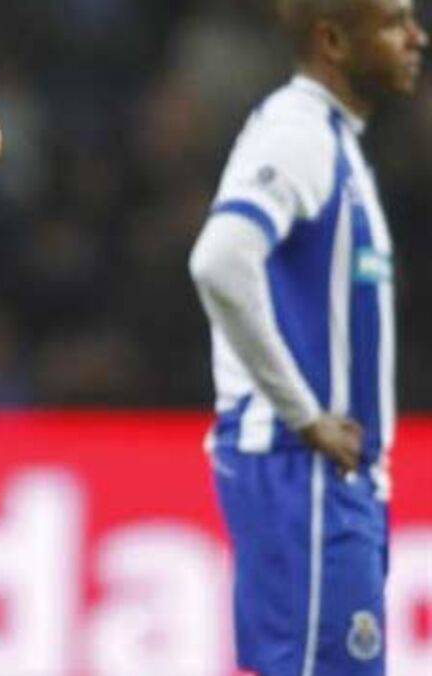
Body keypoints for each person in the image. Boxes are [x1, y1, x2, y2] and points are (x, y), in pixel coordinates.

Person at [189, 0, 426, 673]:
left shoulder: (332, 138)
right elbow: (219, 261)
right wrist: (304, 415)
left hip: (324, 480)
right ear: (333, 41)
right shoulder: (298, 135)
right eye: (395, 23)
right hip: (302, 473)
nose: (417, 37)